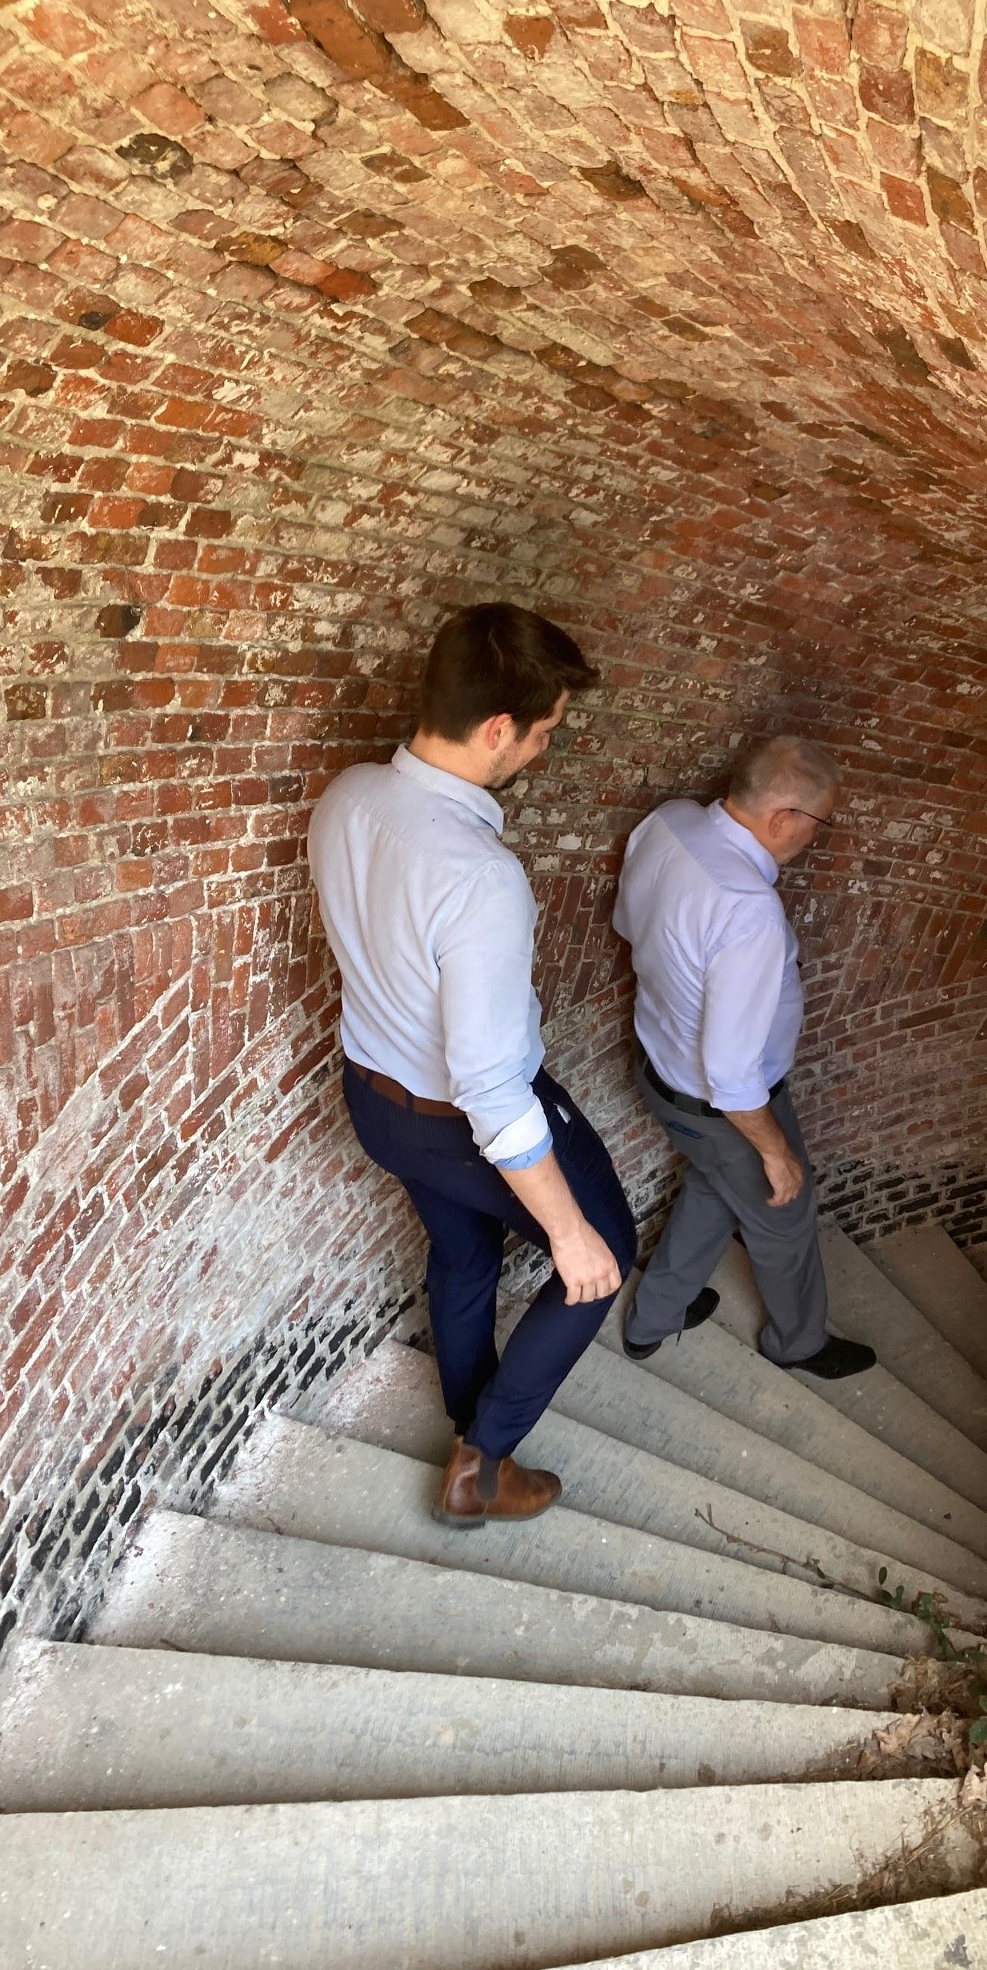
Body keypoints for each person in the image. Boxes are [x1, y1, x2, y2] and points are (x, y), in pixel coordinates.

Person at [309, 603, 637, 1527]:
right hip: (461, 1120)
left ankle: (466, 1415)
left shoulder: (347, 796)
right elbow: (492, 1087)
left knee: (462, 1256)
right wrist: (571, 1237)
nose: (540, 750)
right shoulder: (479, 877)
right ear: (498, 728)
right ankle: (483, 1461)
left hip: (375, 1103)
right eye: (542, 734)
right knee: (600, 1257)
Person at [613, 736, 875, 1377]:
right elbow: (732, 1078)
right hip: (720, 1104)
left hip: (660, 1070)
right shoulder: (748, 911)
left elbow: (627, 923)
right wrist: (776, 1151)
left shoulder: (668, 822)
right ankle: (800, 1343)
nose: (816, 837)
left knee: (712, 1186)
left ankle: (654, 1317)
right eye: (820, 823)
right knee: (784, 1218)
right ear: (784, 817)